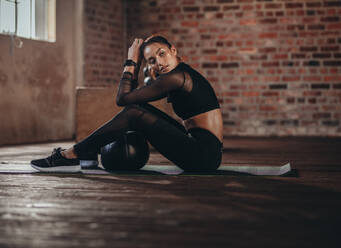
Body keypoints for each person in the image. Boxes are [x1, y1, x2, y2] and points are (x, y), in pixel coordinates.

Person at [30, 35, 223, 173]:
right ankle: (86, 155)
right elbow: (133, 98)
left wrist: (131, 61)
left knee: (133, 114)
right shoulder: (180, 73)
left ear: (174, 50)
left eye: (162, 53)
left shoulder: (176, 77)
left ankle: (71, 154)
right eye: (152, 60)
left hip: (202, 157)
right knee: (137, 110)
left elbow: (122, 99)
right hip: (203, 151)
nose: (160, 62)